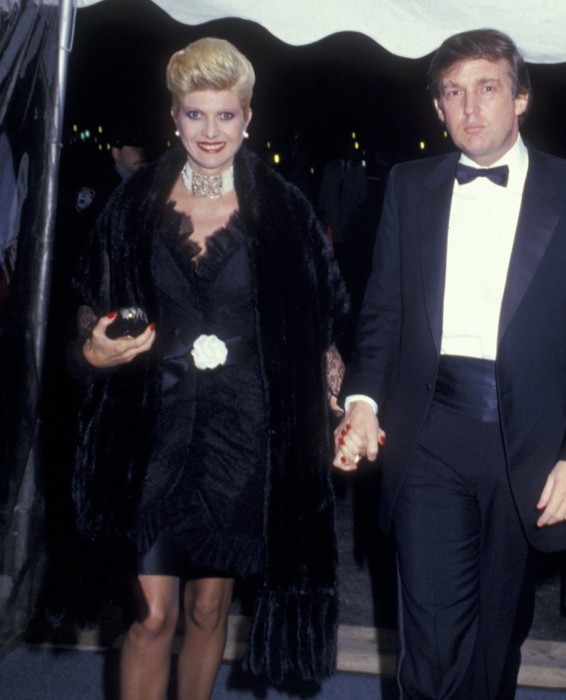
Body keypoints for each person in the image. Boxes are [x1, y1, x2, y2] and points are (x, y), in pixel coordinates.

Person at [332, 28, 566, 699]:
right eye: (453, 92)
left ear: (521, 97)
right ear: (437, 108)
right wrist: (362, 401)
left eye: (487, 88)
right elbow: (381, 314)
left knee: (495, 644)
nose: (470, 107)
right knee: (430, 646)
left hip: (529, 446)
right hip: (429, 432)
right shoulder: (409, 187)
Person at [59, 37, 347, 699]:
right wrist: (93, 350)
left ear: (248, 117)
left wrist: (332, 405)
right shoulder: (132, 207)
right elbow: (88, 308)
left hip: (242, 434)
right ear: (174, 116)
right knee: (151, 612)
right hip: (149, 431)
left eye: (225, 115)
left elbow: (320, 327)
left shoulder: (285, 210)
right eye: (195, 114)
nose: (210, 131)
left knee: (209, 608)